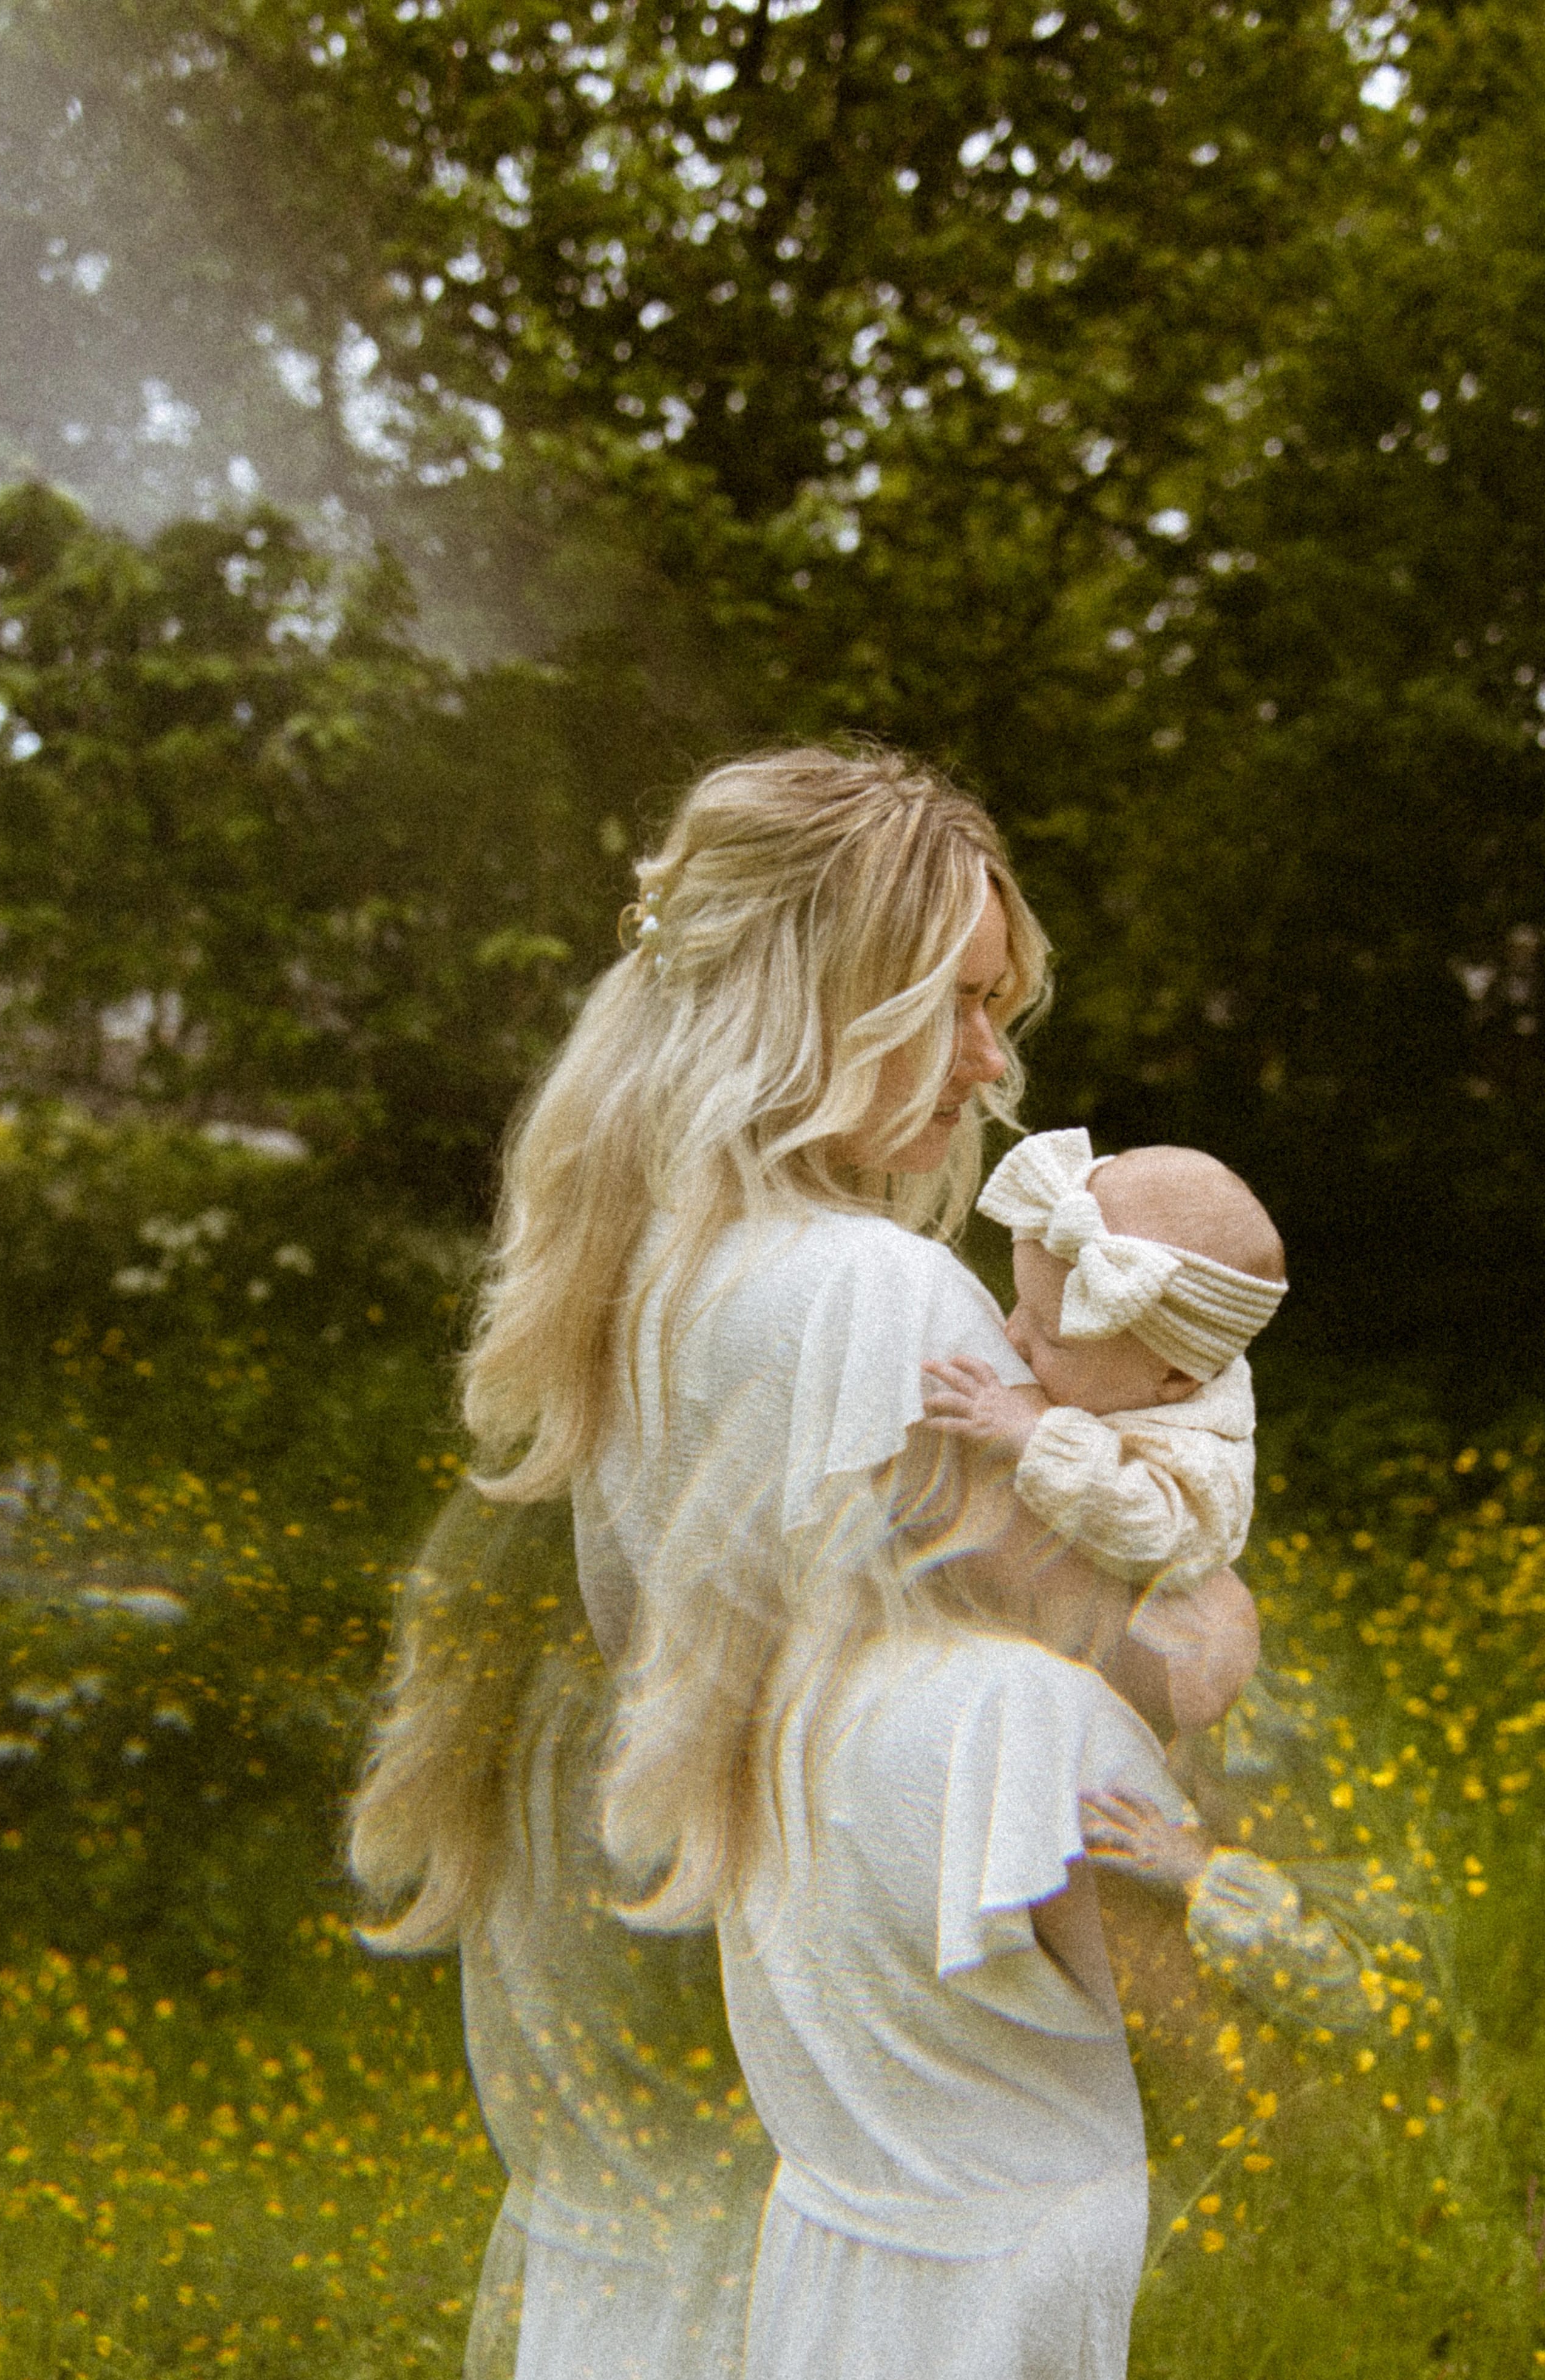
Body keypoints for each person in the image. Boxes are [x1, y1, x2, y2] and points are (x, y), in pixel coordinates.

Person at [344, 744, 1310, 2380]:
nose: (996, 1061)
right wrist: (1218, 1608)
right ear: (823, 1000)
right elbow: (1097, 1687)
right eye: (957, 1002)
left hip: (792, 1969)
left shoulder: (658, 1282)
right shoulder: (879, 1293)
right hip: (947, 2025)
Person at [920, 1127, 1286, 1731]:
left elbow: (1153, 1529)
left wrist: (1036, 1437)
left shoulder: (1200, 1456)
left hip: (1137, 1652)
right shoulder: (1130, 1376)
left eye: (1053, 1336)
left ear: (1172, 1378)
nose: (1013, 1337)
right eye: (1019, 1306)